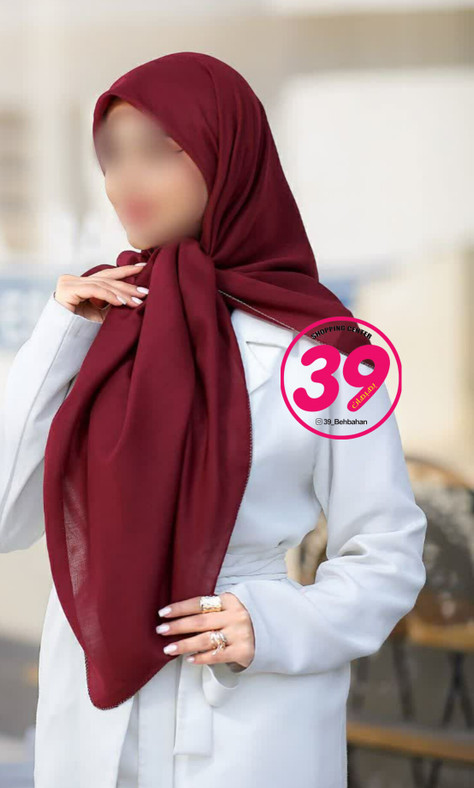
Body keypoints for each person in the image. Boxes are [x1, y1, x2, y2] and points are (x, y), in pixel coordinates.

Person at [0, 52, 427, 788]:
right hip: (95, 715)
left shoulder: (325, 347)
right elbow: (7, 516)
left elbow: (388, 551)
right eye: (112, 155)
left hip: (247, 713)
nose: (126, 180)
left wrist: (274, 623)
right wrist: (59, 333)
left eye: (159, 151)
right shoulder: (98, 324)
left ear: (227, 155)